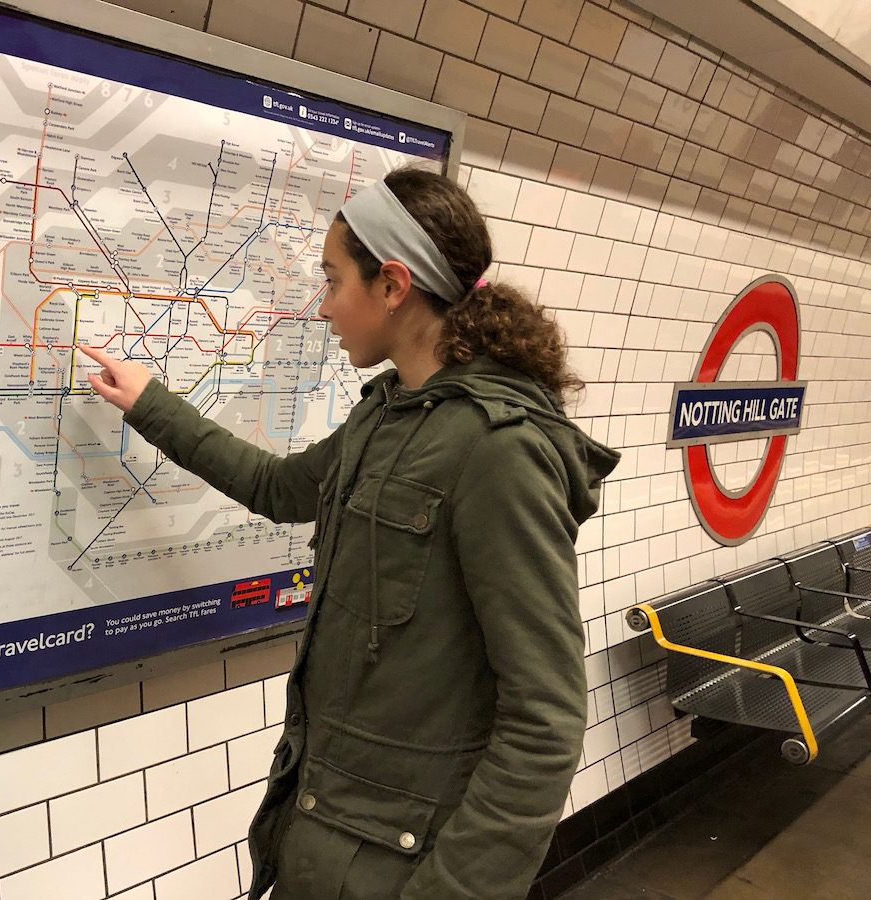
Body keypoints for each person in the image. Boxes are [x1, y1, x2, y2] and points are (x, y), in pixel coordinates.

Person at [78, 166, 620, 899]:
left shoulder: (497, 451)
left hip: (400, 868)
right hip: (324, 834)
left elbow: (546, 718)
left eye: (334, 282)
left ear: (393, 286)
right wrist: (153, 406)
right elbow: (280, 487)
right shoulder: (387, 414)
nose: (324, 306)